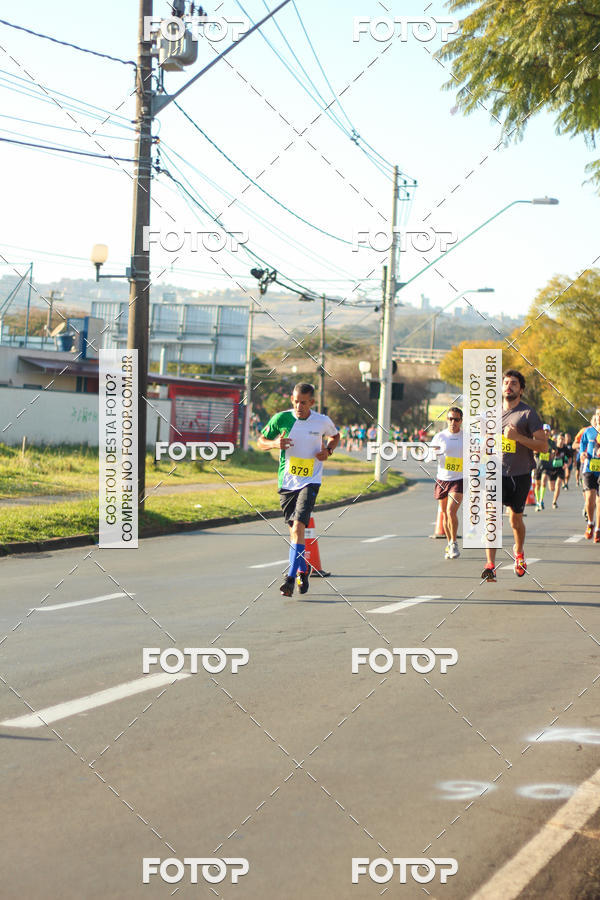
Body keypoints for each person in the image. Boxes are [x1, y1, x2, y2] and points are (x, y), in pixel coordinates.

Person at [257, 383, 340, 596]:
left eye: (303, 402)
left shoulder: (321, 421)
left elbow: (335, 435)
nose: (298, 406)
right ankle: (304, 569)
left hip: (310, 481)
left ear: (312, 402)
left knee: (298, 528)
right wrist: (274, 444)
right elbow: (260, 441)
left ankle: (290, 579)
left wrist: (328, 450)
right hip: (287, 482)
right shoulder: (281, 419)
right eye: (295, 401)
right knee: (294, 531)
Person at [481, 370, 548, 582]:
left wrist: (517, 437)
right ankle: (490, 564)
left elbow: (543, 446)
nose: (509, 386)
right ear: (501, 387)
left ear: (521, 389)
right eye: (506, 383)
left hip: (520, 475)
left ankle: (519, 553)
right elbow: (485, 442)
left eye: (514, 383)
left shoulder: (528, 414)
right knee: (491, 517)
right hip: (495, 473)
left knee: (515, 520)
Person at [430, 407, 463, 559]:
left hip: (459, 479)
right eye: (450, 419)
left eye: (456, 419)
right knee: (444, 514)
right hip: (442, 479)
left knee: (451, 511)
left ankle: (454, 542)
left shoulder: (467, 437)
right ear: (447, 420)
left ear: (461, 421)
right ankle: (449, 543)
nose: (453, 422)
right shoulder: (439, 436)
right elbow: (428, 456)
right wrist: (433, 453)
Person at [579, 413, 600, 541]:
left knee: (599, 501)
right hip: (589, 468)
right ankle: (591, 523)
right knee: (590, 499)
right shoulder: (589, 431)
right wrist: (583, 453)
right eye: (598, 415)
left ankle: (598, 529)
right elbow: (582, 444)